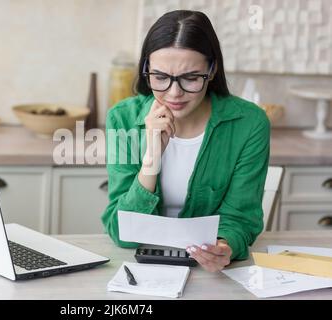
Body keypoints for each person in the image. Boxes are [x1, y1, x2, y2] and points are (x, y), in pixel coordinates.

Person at [101, 10, 270, 272]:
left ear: (212, 70)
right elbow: (122, 233)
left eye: (191, 78)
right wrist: (151, 159)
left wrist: (224, 247)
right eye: (160, 77)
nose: (174, 92)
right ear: (146, 70)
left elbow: (240, 218)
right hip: (139, 269)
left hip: (209, 273)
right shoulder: (122, 119)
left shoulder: (250, 123)